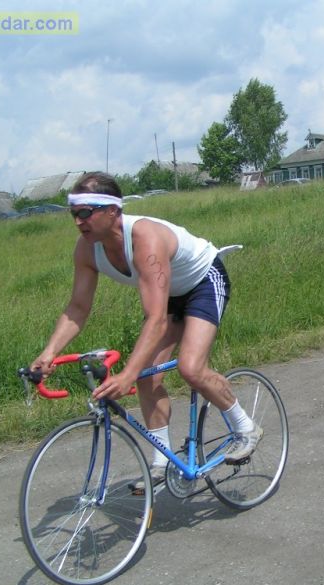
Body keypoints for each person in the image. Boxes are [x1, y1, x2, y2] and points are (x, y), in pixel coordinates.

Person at [30, 172, 260, 493]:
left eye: (85, 212)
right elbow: (77, 309)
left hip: (203, 282)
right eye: (73, 213)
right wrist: (49, 352)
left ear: (112, 211)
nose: (78, 221)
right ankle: (161, 462)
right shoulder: (87, 250)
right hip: (167, 295)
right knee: (146, 378)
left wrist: (125, 375)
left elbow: (156, 321)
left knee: (190, 368)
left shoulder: (145, 239)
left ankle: (244, 427)